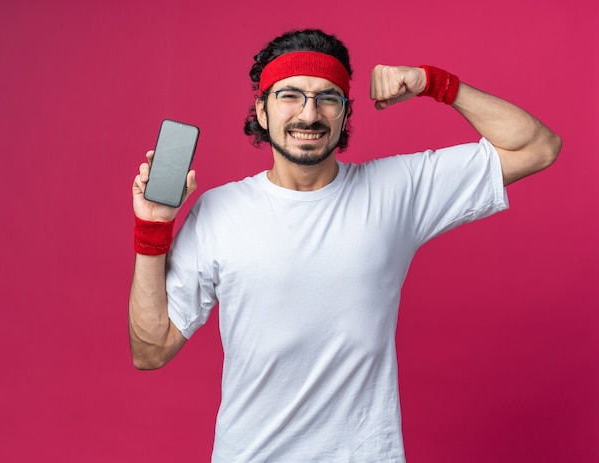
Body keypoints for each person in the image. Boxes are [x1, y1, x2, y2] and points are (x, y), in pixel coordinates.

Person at [129, 29, 561, 462]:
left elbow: (538, 147)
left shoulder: (396, 190)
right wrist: (152, 231)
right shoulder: (219, 212)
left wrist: (436, 83)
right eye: (290, 95)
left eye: (328, 98)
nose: (309, 114)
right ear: (262, 110)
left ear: (344, 113)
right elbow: (151, 350)